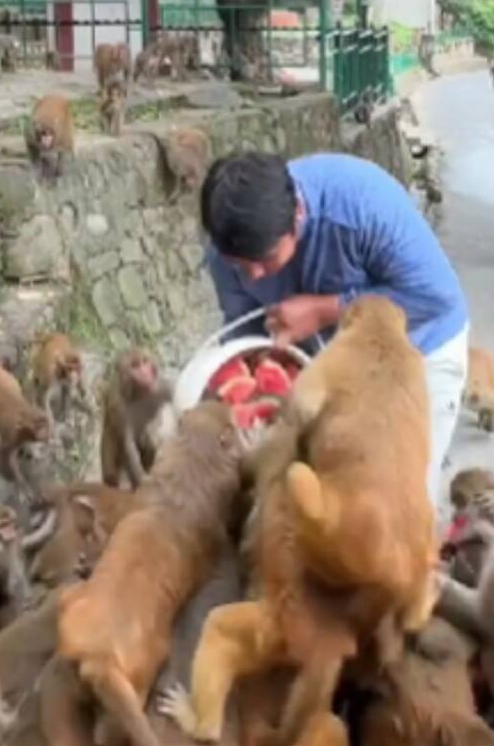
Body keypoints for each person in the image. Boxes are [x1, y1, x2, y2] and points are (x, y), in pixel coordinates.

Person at [200, 151, 470, 518]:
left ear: (297, 216)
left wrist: (327, 309)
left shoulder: (360, 206)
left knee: (401, 509)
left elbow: (435, 297)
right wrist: (258, 374)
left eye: (265, 259)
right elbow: (245, 336)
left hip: (418, 352)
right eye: (239, 266)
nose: (254, 277)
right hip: (330, 365)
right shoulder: (226, 252)